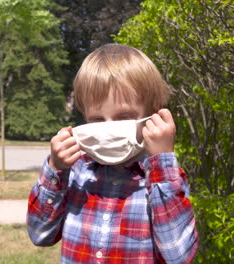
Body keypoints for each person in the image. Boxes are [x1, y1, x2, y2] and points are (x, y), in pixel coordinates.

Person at [27, 43, 198, 263]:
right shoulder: (76, 171)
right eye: (97, 120)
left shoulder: (160, 180)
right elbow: (39, 233)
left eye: (124, 116)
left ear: (151, 114)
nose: (108, 128)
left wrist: (162, 162)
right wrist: (55, 169)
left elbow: (179, 255)